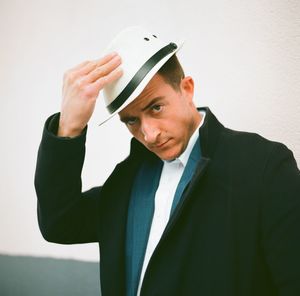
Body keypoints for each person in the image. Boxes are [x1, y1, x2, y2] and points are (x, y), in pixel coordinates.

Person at [35, 27, 300, 296]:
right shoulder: (127, 182)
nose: (149, 134)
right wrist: (69, 127)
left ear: (187, 89)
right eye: (131, 120)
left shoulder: (264, 166)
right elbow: (60, 222)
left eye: (155, 107)